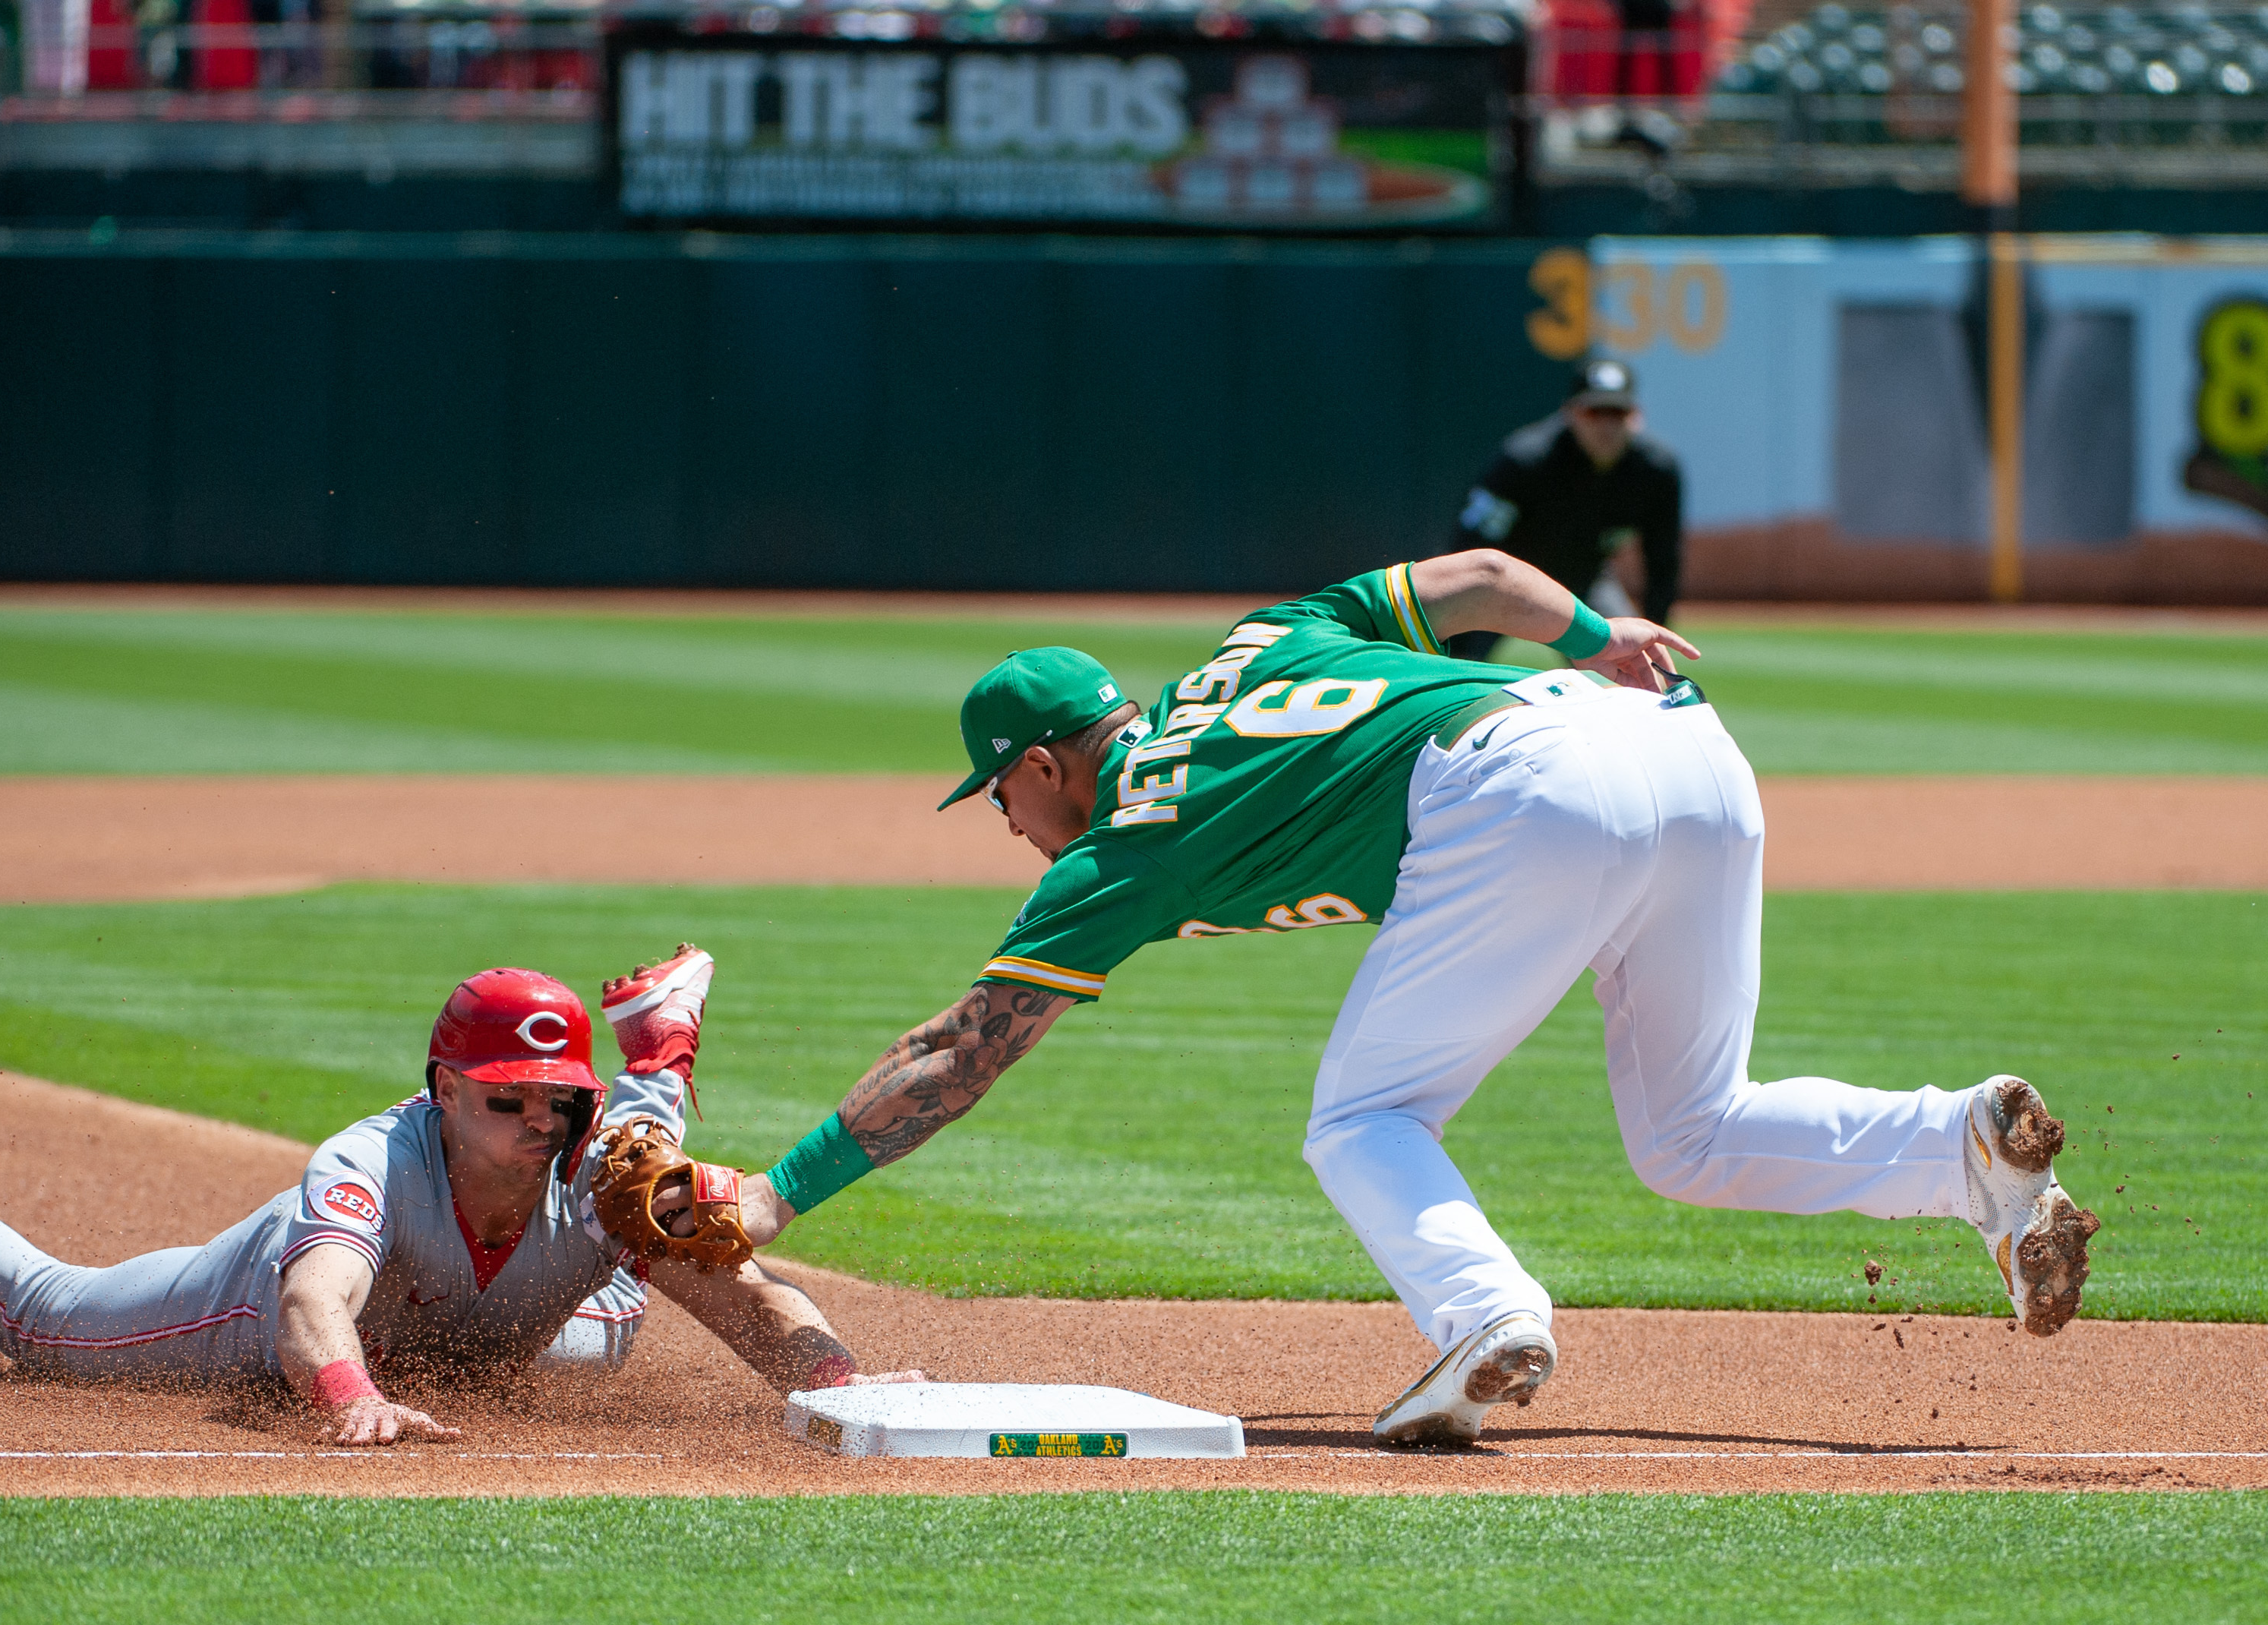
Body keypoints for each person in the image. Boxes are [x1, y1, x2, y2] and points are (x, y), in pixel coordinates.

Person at [721, 552, 2099, 1447]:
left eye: (999, 796)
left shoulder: (1118, 847)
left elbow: (960, 1051)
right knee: (1689, 1126)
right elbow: (1486, 577)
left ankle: (1481, 1316)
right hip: (1675, 744)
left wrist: (778, 1191)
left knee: (1363, 1113)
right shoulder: (1256, 636)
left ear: (1036, 764)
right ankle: (1959, 1146)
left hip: (1519, 791)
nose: (1006, 824)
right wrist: (1599, 631)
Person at [0, 947, 916, 1445]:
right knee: (45, 1320)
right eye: (506, 1097)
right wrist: (348, 1401)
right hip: (253, 1307)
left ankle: (655, 1057)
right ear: (441, 1087)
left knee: (661, 1226)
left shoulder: (593, 1160)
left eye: (559, 1096)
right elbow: (316, 1302)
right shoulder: (365, 1160)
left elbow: (740, 1284)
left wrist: (841, 1391)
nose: (539, 1118)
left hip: (497, 1306)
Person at [1447, 358, 1683, 664]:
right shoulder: (1526, 459)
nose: (1607, 425)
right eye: (1594, 412)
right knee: (1457, 670)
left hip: (1582, 584)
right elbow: (1469, 541)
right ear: (1570, 413)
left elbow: (1663, 561)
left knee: (1635, 662)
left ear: (1637, 417)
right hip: (1505, 588)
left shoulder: (1657, 470)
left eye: (1618, 413)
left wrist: (1654, 634)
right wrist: (1461, 618)